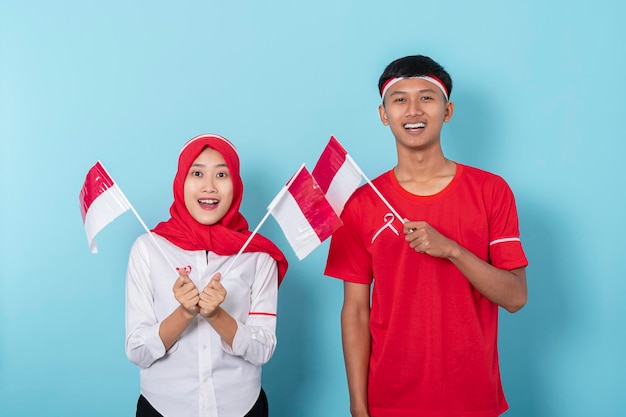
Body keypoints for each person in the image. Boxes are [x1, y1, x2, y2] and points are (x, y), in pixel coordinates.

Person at [324, 55, 529, 417]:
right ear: (384, 114)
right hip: (390, 400)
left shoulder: (491, 191)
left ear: (447, 111)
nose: (413, 110)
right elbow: (355, 311)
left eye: (427, 98)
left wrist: (452, 250)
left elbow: (514, 297)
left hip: (472, 397)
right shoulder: (360, 204)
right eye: (399, 99)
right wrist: (358, 404)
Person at [125, 133, 288, 417]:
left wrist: (216, 316)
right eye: (197, 173)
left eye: (221, 174)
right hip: (163, 408)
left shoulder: (258, 255)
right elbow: (137, 351)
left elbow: (262, 350)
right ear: (181, 182)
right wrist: (184, 314)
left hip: (242, 407)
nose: (209, 186)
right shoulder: (148, 249)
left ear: (235, 185)